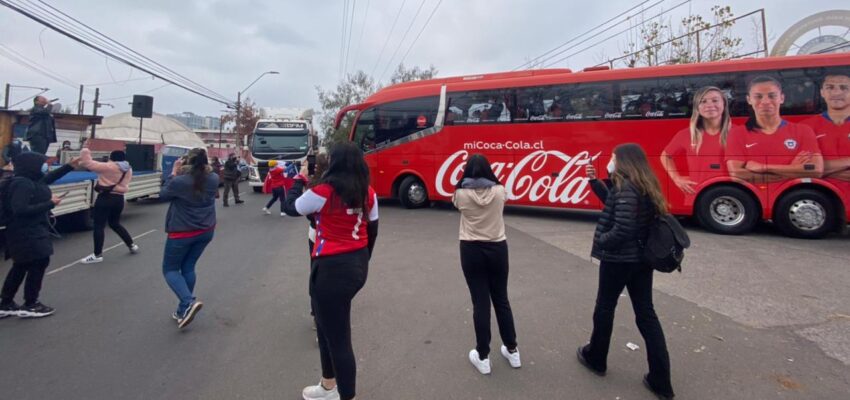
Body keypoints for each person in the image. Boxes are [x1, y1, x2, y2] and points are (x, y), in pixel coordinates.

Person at [578, 143, 675, 400]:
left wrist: (601, 240)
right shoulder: (643, 184)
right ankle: (661, 379)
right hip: (642, 261)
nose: (610, 161)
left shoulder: (626, 189)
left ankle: (596, 357)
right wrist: (593, 180)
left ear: (622, 161)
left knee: (605, 308)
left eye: (612, 157)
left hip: (619, 260)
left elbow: (622, 228)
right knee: (646, 315)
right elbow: (614, 203)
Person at [283, 142, 379, 400]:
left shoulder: (323, 191)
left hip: (331, 269)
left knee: (338, 339)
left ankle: (346, 395)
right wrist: (362, 262)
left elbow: (290, 207)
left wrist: (300, 177)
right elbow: (373, 231)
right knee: (325, 327)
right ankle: (328, 385)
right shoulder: (367, 192)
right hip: (356, 264)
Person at [452, 154, 520, 375]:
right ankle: (513, 350)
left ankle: (482, 356)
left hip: (471, 249)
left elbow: (455, 199)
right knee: (501, 299)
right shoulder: (500, 191)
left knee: (480, 303)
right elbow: (502, 196)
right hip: (498, 248)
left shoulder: (461, 194)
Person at [0, 152, 78, 318]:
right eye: (42, 163)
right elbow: (20, 210)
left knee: (21, 265)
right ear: (32, 165)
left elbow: (48, 179)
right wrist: (50, 203)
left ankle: (5, 303)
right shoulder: (23, 185)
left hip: (26, 230)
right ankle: (31, 303)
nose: (46, 166)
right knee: (38, 262)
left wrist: (69, 166)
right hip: (26, 231)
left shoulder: (29, 180)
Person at [158, 148, 218, 329]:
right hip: (206, 230)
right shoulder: (213, 178)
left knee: (170, 269)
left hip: (182, 231)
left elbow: (163, 194)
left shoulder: (180, 181)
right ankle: (183, 309)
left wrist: (173, 172)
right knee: (188, 267)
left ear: (186, 163)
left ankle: (188, 301)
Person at [726, 76, 823, 183]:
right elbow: (737, 173)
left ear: (781, 98)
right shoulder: (737, 133)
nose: (766, 101)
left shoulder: (803, 131)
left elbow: (816, 169)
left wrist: (764, 167)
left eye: (772, 96)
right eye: (758, 96)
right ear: (749, 100)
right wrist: (792, 170)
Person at [660, 86, 732, 194]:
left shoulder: (739, 133)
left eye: (715, 100)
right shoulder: (685, 134)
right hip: (698, 197)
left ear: (724, 104)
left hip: (734, 194)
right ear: (697, 107)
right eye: (703, 101)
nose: (709, 105)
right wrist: (676, 178)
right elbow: (665, 156)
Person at [78, 148, 138, 264]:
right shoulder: (128, 169)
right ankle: (131, 245)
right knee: (115, 223)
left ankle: (97, 254)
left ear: (112, 157)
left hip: (105, 197)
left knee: (99, 225)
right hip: (119, 199)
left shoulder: (109, 167)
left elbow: (88, 163)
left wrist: (85, 149)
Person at [801, 72, 850, 181]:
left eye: (844, 88)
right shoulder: (805, 127)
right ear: (822, 92)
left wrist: (823, 170)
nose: (836, 93)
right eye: (830, 87)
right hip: (818, 193)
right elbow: (804, 168)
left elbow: (815, 169)